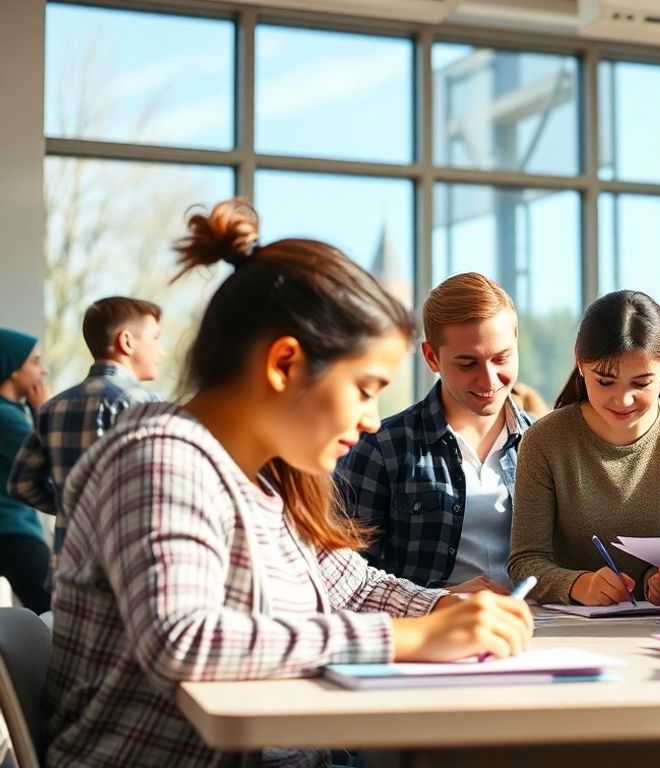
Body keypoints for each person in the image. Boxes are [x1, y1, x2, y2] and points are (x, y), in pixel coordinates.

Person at [45, 199, 533, 767]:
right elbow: (184, 641)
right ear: (284, 365)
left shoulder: (264, 478)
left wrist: (443, 607)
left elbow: (351, 585)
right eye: (365, 388)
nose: (372, 419)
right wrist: (411, 639)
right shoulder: (158, 460)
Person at [508, 290, 660, 606]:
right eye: (605, 382)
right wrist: (579, 585)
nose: (623, 400)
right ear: (580, 363)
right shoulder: (544, 440)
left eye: (641, 383)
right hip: (570, 622)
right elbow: (524, 562)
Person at [336, 273, 533, 592]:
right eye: (467, 364)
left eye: (502, 358)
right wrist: (439, 599)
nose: (488, 379)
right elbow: (343, 579)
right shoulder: (382, 448)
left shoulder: (545, 442)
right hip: (431, 620)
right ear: (431, 357)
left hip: (541, 618)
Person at [8, 296, 163, 560]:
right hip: (125, 559)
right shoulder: (144, 403)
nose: (162, 351)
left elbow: (21, 484)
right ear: (126, 341)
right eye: (155, 338)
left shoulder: (52, 407)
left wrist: (72, 507)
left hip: (69, 562)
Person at [0, 329, 51, 613]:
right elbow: (51, 460)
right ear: (13, 368)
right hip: (12, 530)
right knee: (53, 609)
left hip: (13, 528)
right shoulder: (5, 416)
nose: (43, 371)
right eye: (35, 361)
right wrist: (44, 411)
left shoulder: (12, 412)